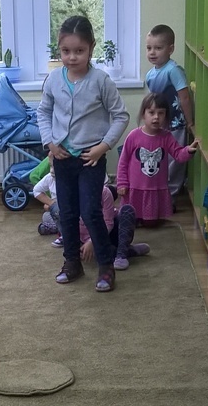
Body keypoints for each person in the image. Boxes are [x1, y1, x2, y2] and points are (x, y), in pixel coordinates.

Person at [37, 15, 130, 292]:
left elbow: (121, 116)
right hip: (62, 159)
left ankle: (106, 266)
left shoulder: (101, 80)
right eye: (66, 51)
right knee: (66, 213)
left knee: (91, 212)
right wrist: (50, 143)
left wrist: (103, 146)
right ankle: (72, 263)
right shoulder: (54, 79)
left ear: (91, 48)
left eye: (79, 50)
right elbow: (43, 112)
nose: (72, 57)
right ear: (59, 49)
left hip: (91, 159)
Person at [117, 92, 200, 225]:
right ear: (143, 114)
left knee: (151, 224)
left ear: (166, 116)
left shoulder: (166, 137)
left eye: (161, 113)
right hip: (134, 188)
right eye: (151, 112)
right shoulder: (133, 136)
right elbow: (123, 161)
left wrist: (188, 150)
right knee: (130, 219)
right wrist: (122, 183)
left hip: (156, 188)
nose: (156, 117)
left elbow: (178, 154)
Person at [145, 24, 195, 209]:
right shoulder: (151, 74)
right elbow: (152, 102)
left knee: (175, 160)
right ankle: (159, 194)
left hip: (176, 123)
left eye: (158, 48)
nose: (152, 52)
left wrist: (190, 122)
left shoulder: (173, 70)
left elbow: (184, 97)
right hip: (159, 125)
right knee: (160, 159)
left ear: (170, 49)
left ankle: (170, 198)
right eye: (149, 48)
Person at [32, 157, 61, 243]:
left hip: (73, 213)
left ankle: (59, 230)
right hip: (57, 212)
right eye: (50, 166)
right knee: (46, 216)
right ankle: (57, 228)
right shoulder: (50, 177)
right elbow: (36, 190)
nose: (52, 170)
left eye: (55, 167)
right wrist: (50, 203)